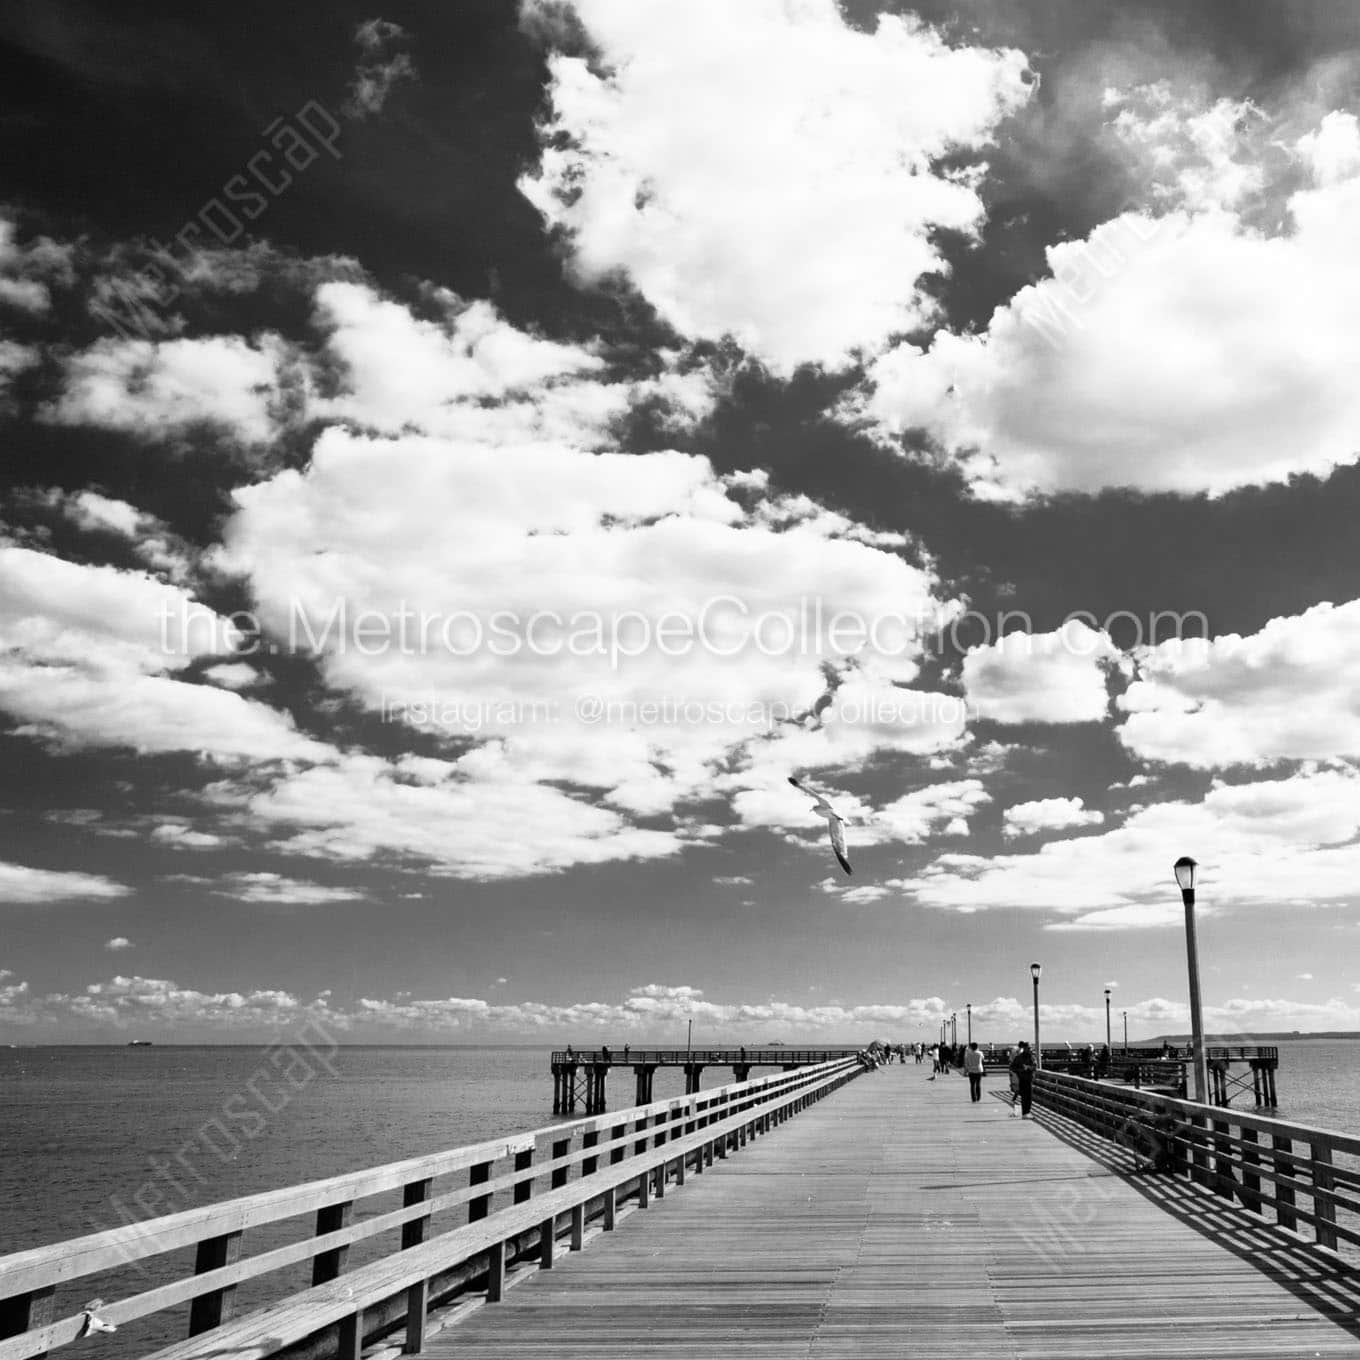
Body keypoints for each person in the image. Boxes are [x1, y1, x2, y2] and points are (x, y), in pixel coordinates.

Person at [1009, 1040, 1036, 1118]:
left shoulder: (1032, 1057)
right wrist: (1020, 1070)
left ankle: (1027, 1112)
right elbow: (1012, 1067)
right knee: (1024, 1096)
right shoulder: (1018, 1057)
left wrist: (1027, 1068)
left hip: (1029, 1079)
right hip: (1022, 1078)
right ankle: (1025, 1113)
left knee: (1029, 1097)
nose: (1030, 1049)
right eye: (1028, 1048)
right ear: (1024, 1048)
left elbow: (1034, 1067)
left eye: (1030, 1048)